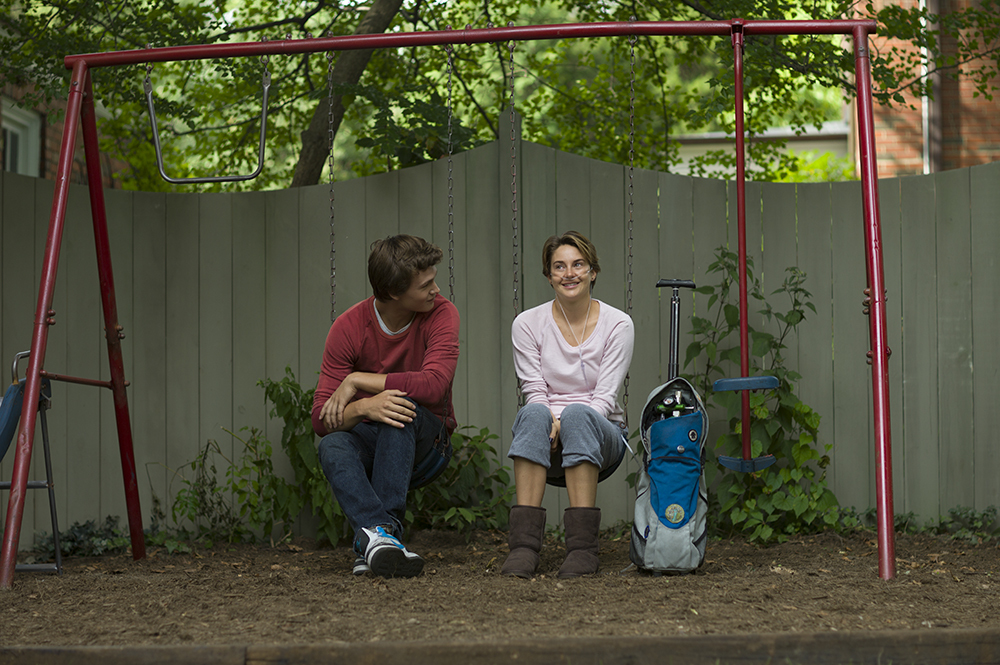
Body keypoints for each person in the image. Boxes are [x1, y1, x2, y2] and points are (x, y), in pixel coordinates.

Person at [312, 234, 459, 578]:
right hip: (371, 439)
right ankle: (381, 541)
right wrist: (364, 409)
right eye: (425, 285)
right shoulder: (348, 327)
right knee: (333, 443)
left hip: (428, 446)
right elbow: (321, 419)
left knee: (397, 407)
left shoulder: (442, 313)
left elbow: (434, 384)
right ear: (394, 293)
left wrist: (357, 381)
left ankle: (381, 538)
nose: (435, 290)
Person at [502, 230, 634, 579]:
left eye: (578, 264)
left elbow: (604, 399)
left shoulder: (618, 324)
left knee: (578, 414)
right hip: (547, 434)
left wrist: (564, 420)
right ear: (548, 276)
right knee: (532, 412)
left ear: (593, 271)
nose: (569, 273)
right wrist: (552, 422)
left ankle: (582, 549)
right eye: (559, 266)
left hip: (603, 435)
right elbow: (534, 391)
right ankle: (524, 548)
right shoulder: (527, 324)